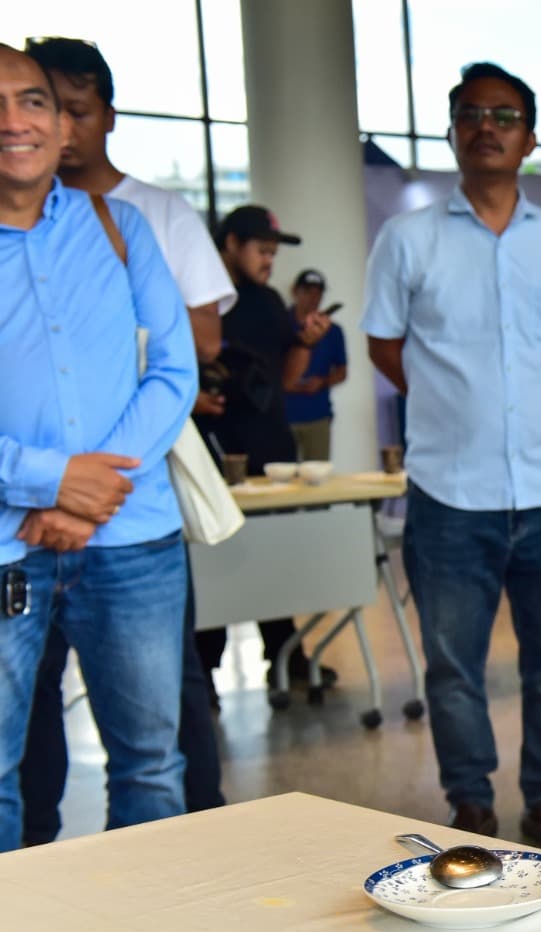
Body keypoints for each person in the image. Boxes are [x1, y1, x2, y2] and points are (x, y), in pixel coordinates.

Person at [363, 62, 541, 852]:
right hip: (447, 494)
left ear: (529, 138)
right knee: (451, 669)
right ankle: (469, 802)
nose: (488, 125)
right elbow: (385, 346)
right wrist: (454, 401)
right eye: (472, 113)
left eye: (505, 114)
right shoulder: (408, 239)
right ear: (453, 132)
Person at [18, 37, 236, 843]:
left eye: (53, 106)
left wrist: (90, 486)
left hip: (131, 520)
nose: (43, 126)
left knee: (154, 747)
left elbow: (187, 358)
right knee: (19, 747)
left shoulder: (138, 219)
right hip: (19, 532)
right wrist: (47, 480)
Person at [193, 205, 333, 692]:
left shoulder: (270, 302)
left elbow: (287, 380)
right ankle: (203, 672)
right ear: (230, 244)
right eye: (262, 250)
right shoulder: (200, 302)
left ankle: (286, 653)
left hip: (271, 451)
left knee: (273, 558)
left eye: (274, 253)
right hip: (215, 454)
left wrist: (306, 343)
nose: (269, 261)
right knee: (213, 568)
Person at [284, 269, 348, 462]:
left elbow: (342, 371)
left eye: (318, 293)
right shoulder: (280, 323)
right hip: (284, 415)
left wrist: (322, 382)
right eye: (308, 292)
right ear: (296, 291)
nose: (314, 298)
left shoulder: (334, 331)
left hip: (317, 413)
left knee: (318, 476)